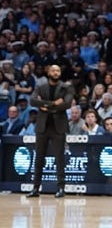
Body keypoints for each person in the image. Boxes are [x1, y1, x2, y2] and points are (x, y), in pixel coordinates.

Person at [27, 64, 73, 197]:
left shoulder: (66, 87)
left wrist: (45, 106)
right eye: (53, 70)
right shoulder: (41, 86)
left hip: (58, 127)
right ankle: (35, 188)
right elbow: (33, 101)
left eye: (58, 70)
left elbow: (67, 104)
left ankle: (61, 188)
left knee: (59, 158)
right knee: (39, 158)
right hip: (43, 126)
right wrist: (53, 104)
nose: (56, 72)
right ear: (49, 72)